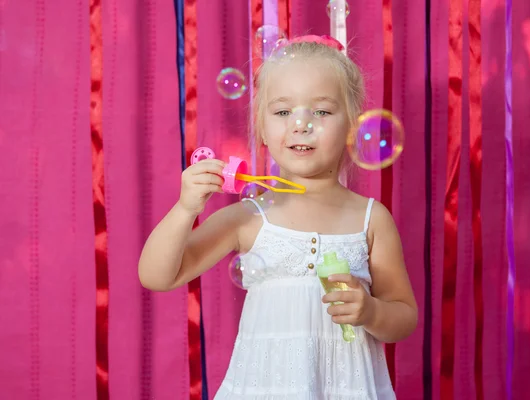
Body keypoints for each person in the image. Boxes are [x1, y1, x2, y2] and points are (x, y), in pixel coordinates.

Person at [138, 34, 417, 399]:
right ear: (263, 129)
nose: (301, 124)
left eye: (321, 111)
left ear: (351, 125)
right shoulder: (249, 217)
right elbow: (157, 276)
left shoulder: (370, 219)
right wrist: (185, 208)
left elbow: (403, 317)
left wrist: (371, 312)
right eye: (283, 112)